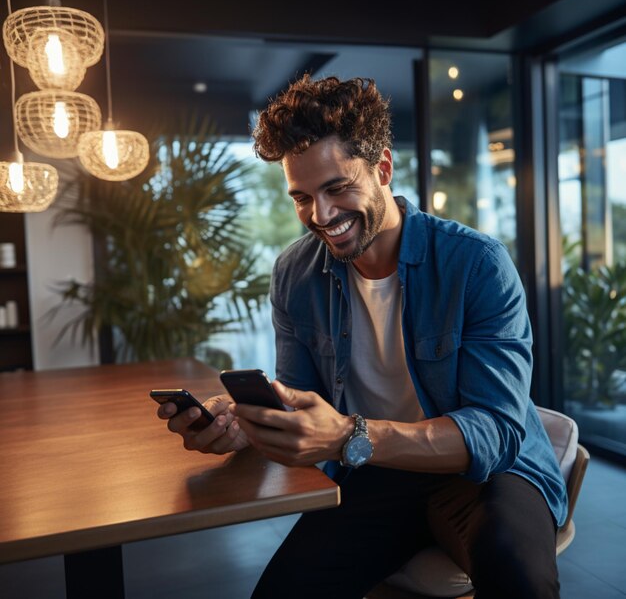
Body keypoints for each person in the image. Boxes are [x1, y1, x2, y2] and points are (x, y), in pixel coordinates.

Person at [157, 75, 567, 598]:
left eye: (337, 188)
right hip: (378, 471)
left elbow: (495, 433)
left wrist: (351, 435)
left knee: (519, 580)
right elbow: (304, 405)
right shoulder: (294, 274)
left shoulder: (477, 264)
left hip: (487, 476)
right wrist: (247, 427)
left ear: (383, 169)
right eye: (302, 197)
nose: (321, 217)